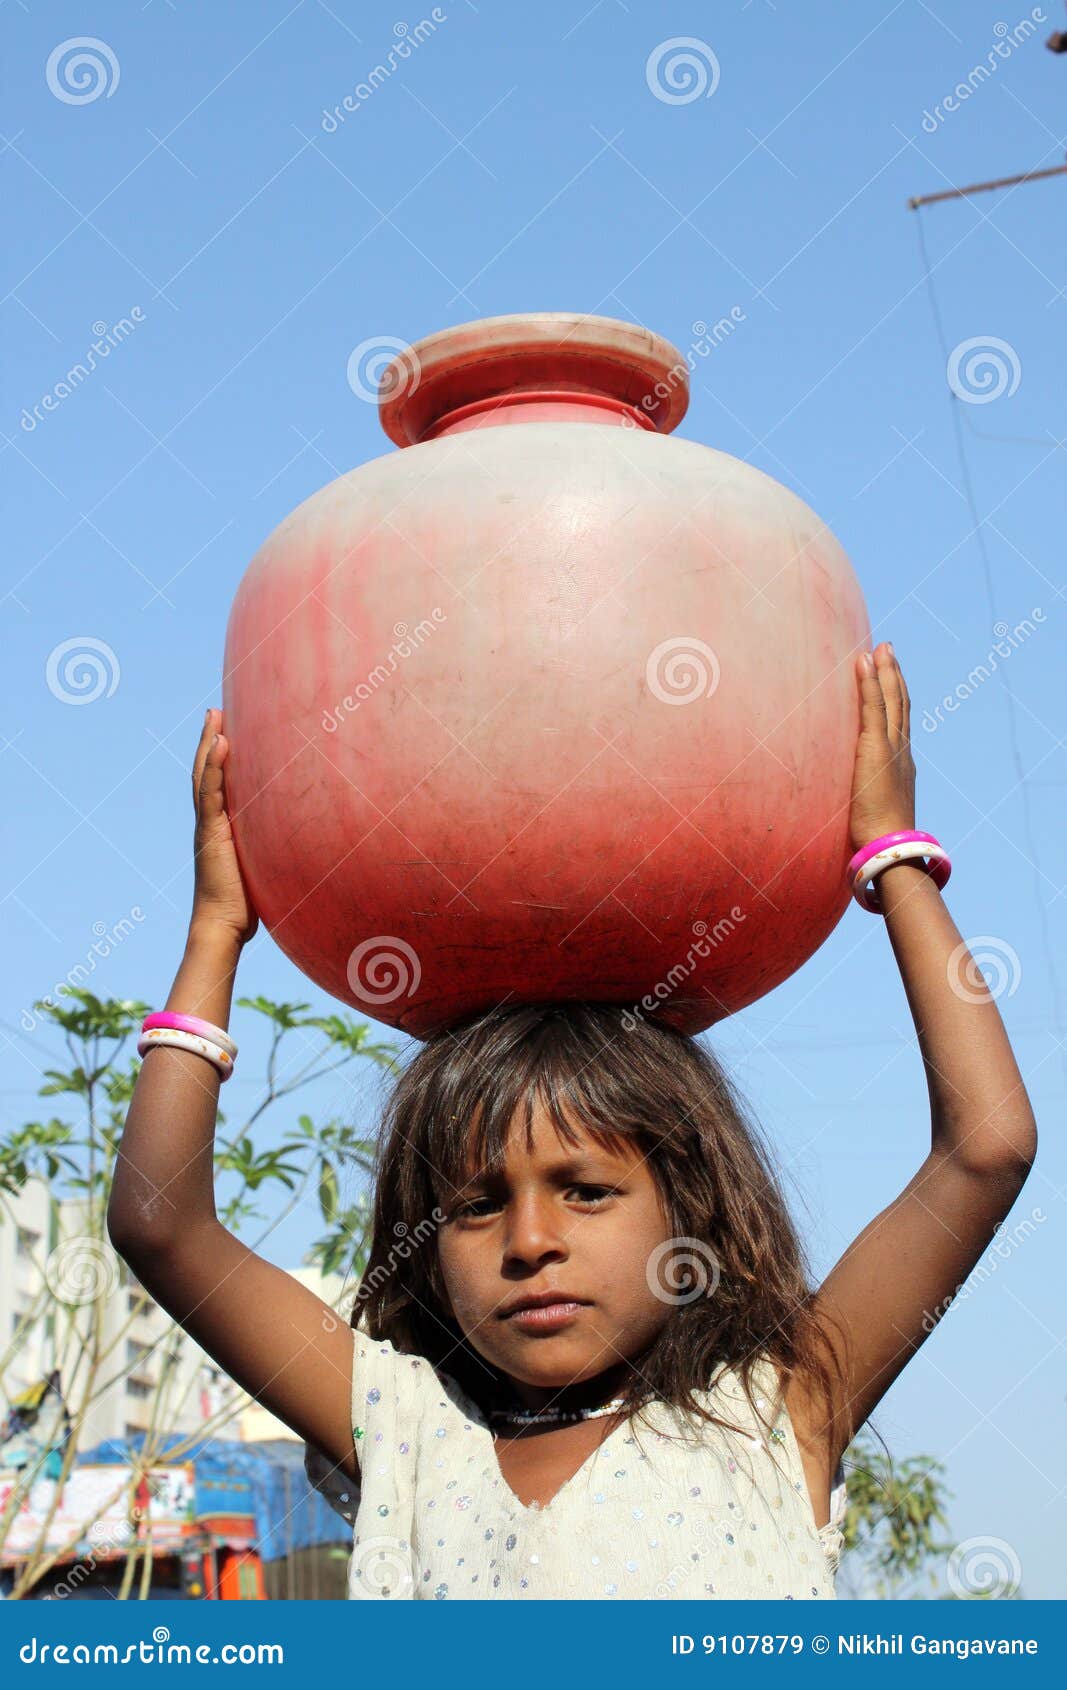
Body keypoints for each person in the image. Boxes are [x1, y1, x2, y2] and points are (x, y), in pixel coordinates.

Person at [107, 643, 1038, 1599]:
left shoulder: (779, 1411)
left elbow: (986, 1147)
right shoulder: (406, 1435)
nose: (530, 1242)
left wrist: (894, 861)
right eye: (472, 1207)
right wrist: (216, 928)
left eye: (587, 1191)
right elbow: (159, 1222)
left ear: (691, 1211)